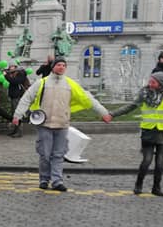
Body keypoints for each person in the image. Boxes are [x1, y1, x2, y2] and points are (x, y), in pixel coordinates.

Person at [12, 56, 112, 192]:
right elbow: (27, 98)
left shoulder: (71, 84)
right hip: (44, 124)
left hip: (62, 124)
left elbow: (87, 98)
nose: (61, 67)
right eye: (59, 65)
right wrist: (17, 115)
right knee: (45, 154)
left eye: (64, 65)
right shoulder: (42, 83)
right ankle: (44, 179)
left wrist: (103, 112)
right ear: (53, 67)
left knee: (58, 154)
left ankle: (57, 181)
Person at [4, 65, 30, 137]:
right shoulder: (13, 74)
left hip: (17, 96)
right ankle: (15, 130)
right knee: (14, 114)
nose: (10, 68)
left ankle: (19, 131)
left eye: (12, 66)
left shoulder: (20, 74)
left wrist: (6, 76)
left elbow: (15, 82)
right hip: (13, 96)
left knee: (18, 114)